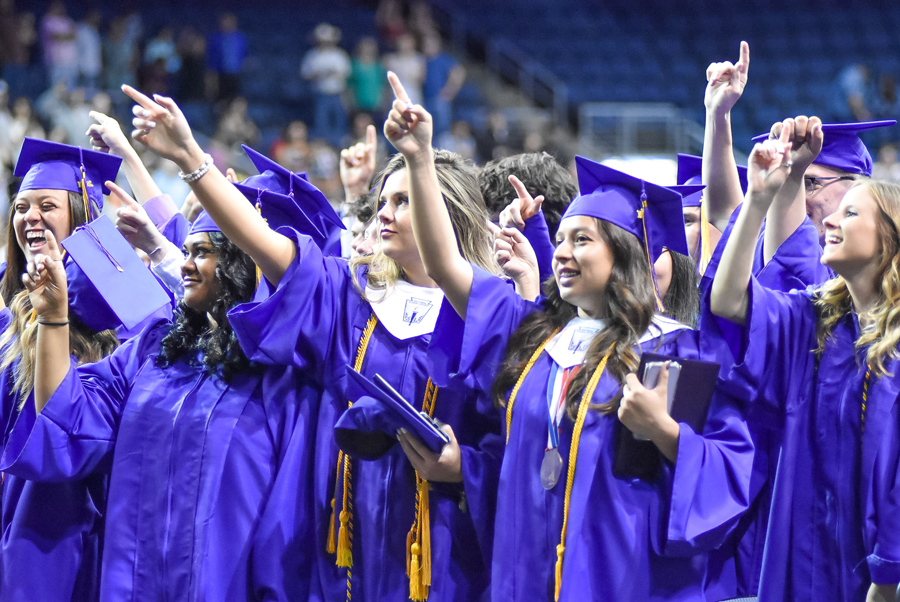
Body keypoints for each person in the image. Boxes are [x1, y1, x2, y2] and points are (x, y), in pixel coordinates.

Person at [120, 81, 502, 601]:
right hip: (342, 549)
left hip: (442, 554)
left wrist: (463, 471)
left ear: (446, 212)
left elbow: (513, 452)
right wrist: (192, 158)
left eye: (404, 201)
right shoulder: (350, 298)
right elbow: (264, 245)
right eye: (383, 199)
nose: (383, 212)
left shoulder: (487, 318)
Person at [384, 73, 753, 601]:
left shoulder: (671, 349)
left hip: (617, 577)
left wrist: (666, 432)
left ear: (623, 256)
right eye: (559, 240)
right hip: (524, 572)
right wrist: (420, 159)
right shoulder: (534, 334)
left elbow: (726, 472)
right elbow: (446, 264)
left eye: (582, 240)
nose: (561, 253)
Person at [3, 193, 320, 600]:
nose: (184, 265)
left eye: (202, 253)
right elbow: (71, 422)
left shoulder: (283, 380)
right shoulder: (155, 352)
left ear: (246, 264)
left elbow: (286, 527)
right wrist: (53, 318)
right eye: (186, 251)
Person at [709, 127, 900, 602]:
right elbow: (730, 301)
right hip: (807, 563)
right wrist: (758, 199)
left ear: (889, 237)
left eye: (849, 211)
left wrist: (888, 576)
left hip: (878, 574)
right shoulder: (815, 324)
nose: (829, 221)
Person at [0, 138, 123, 601]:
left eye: (46, 205)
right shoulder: (10, 315)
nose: (28, 216)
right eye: (20, 207)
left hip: (70, 514)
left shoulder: (116, 314)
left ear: (80, 213)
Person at [301, 23, 351, 147]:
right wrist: (320, 74)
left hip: (337, 93)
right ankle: (323, 146)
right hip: (320, 93)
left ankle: (340, 146)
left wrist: (331, 74)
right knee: (321, 123)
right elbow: (306, 74)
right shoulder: (312, 55)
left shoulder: (339, 55)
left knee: (339, 122)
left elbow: (345, 73)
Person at [421, 33, 465, 139]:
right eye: (425, 44)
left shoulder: (444, 59)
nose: (427, 46)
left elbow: (459, 73)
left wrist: (450, 91)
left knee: (442, 132)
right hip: (425, 100)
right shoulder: (423, 60)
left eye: (430, 44)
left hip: (440, 100)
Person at [205, 13, 246, 103]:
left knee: (234, 99)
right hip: (220, 74)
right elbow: (211, 57)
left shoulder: (240, 38)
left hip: (235, 74)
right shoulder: (215, 38)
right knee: (220, 99)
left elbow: (244, 55)